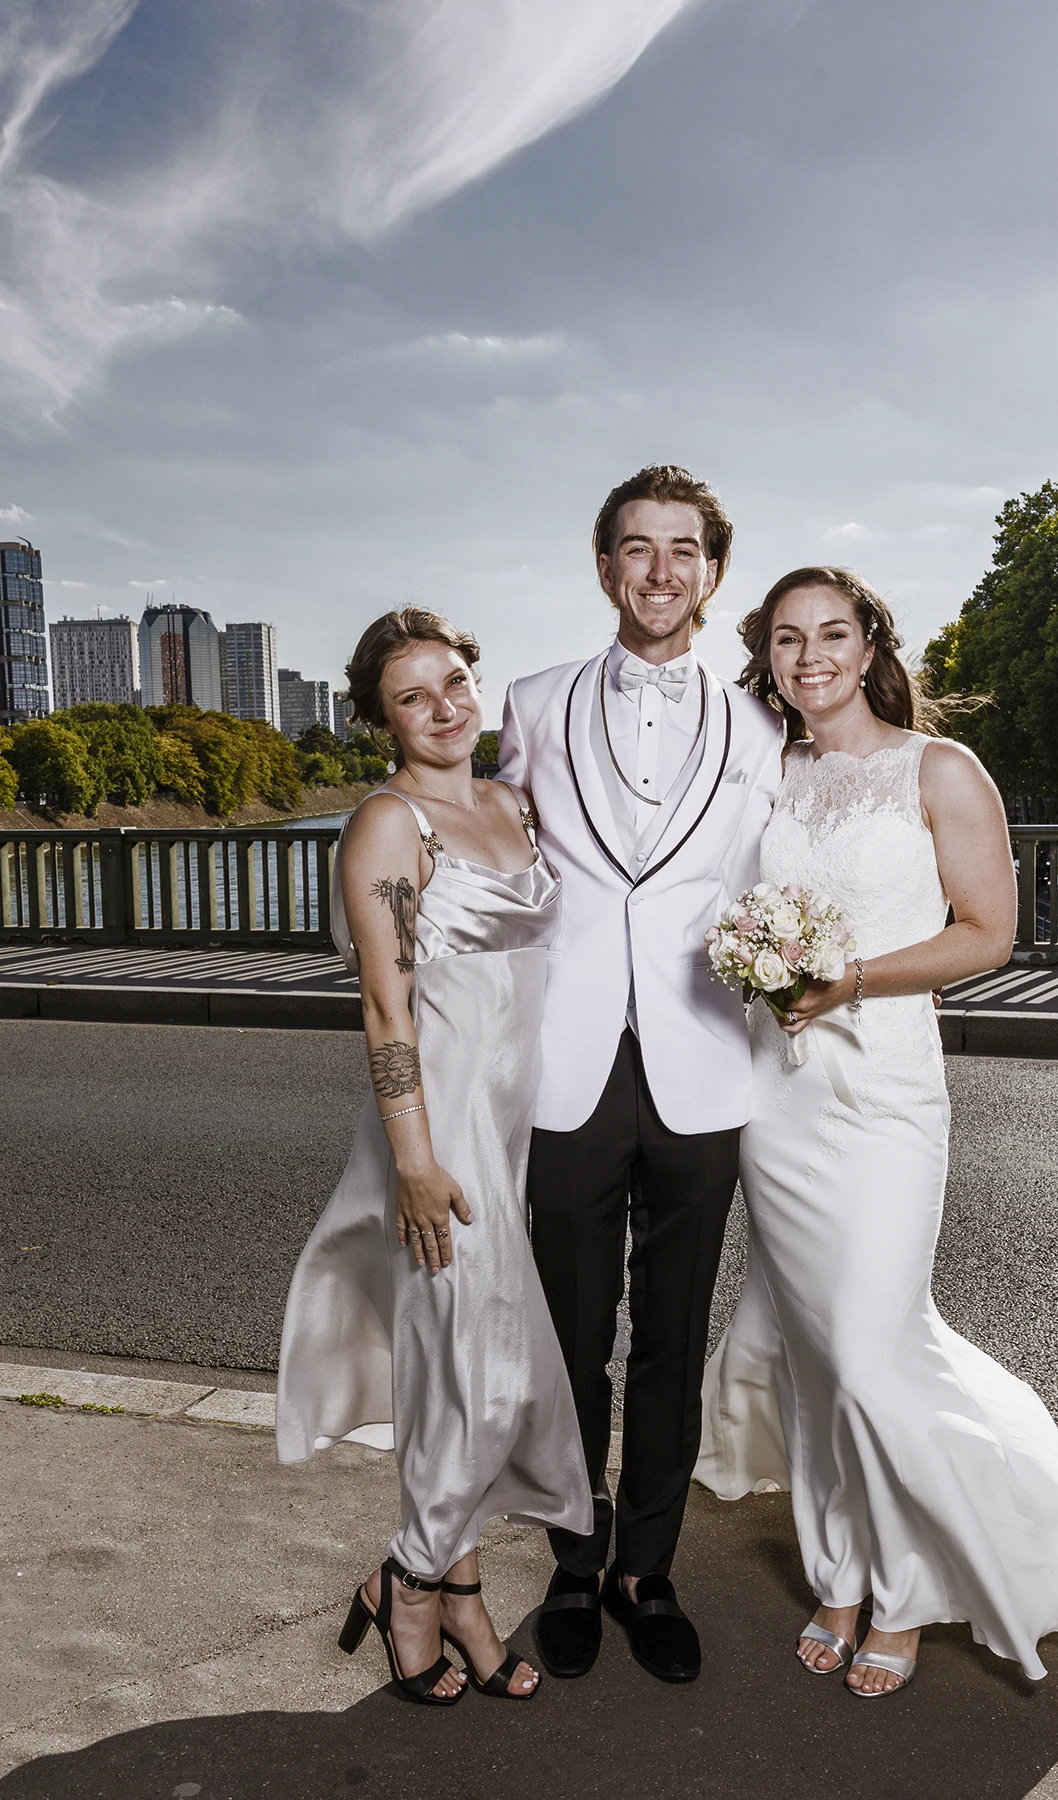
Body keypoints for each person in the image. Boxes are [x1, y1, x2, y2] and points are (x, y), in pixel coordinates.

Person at [694, 568, 1058, 1697]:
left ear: (869, 648)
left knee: (869, 1349)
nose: (810, 656)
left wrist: (849, 978)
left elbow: (988, 932)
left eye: (832, 635)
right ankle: (841, 1573)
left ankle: (910, 1585)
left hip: (887, 1096)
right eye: (787, 638)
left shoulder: (939, 768)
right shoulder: (762, 774)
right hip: (780, 1098)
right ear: (766, 655)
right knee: (818, 1363)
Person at [497, 465, 785, 1683]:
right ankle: (571, 1559)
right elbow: (485, 861)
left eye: (683, 550)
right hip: (564, 1064)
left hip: (705, 1059)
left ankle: (644, 1568)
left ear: (712, 572)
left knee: (673, 1331)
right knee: (571, 1333)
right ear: (603, 566)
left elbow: (779, 877)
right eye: (635, 548)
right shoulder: (529, 701)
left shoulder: (765, 727)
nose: (660, 570)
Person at [276, 607, 591, 1706]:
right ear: (381, 719)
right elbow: (383, 1004)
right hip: (443, 1130)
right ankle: (412, 1582)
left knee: (468, 1369)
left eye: (454, 683)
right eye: (414, 696)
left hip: (521, 1123)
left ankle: (451, 1596)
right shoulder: (386, 824)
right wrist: (413, 1157)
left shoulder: (514, 803)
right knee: (476, 1366)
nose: (445, 708)